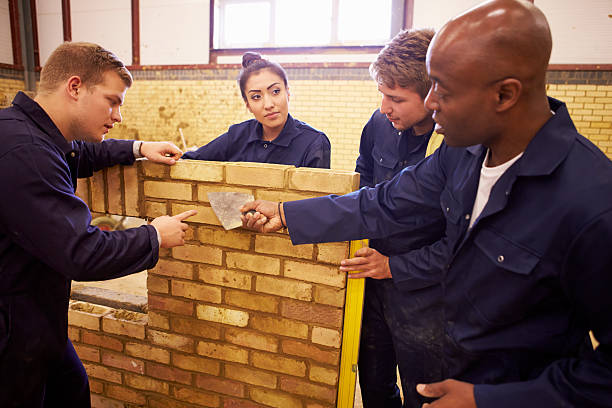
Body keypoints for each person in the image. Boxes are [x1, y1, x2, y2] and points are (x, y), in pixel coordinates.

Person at [241, 1, 612, 407]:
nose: (430, 103)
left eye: (443, 90)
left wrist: (488, 399)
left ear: (504, 94)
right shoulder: (462, 154)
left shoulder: (591, 203)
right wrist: (286, 212)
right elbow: (384, 202)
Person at [0, 42, 197, 407]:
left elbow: (80, 154)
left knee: (71, 388)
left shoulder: (25, 130)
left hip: (37, 318)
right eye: (112, 101)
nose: (118, 115)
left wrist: (138, 148)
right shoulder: (26, 153)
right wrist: (155, 236)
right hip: (12, 332)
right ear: (75, 88)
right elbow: (82, 252)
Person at [352, 28, 446, 408]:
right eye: (382, 94)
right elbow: (363, 186)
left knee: (423, 393)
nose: (384, 108)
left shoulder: (456, 144)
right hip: (371, 283)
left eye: (395, 98)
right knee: (374, 384)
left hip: (426, 294)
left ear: (432, 93)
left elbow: (461, 242)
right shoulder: (378, 126)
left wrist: (394, 266)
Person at [182, 52, 331, 168]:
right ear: (248, 105)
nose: (268, 104)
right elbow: (189, 161)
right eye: (256, 97)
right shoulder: (237, 136)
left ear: (288, 93)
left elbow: (315, 204)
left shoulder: (314, 142)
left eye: (275, 91)